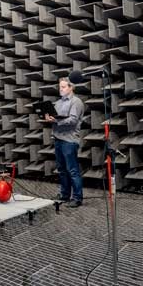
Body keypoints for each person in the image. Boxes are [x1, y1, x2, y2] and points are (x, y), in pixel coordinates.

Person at [45, 76, 85, 208]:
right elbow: (55, 118)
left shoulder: (76, 102)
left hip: (69, 140)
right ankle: (65, 195)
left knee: (72, 170)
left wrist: (56, 121)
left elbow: (73, 120)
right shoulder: (58, 103)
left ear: (71, 87)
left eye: (63, 87)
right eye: (59, 86)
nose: (60, 89)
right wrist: (48, 118)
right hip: (58, 139)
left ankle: (77, 198)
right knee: (62, 170)